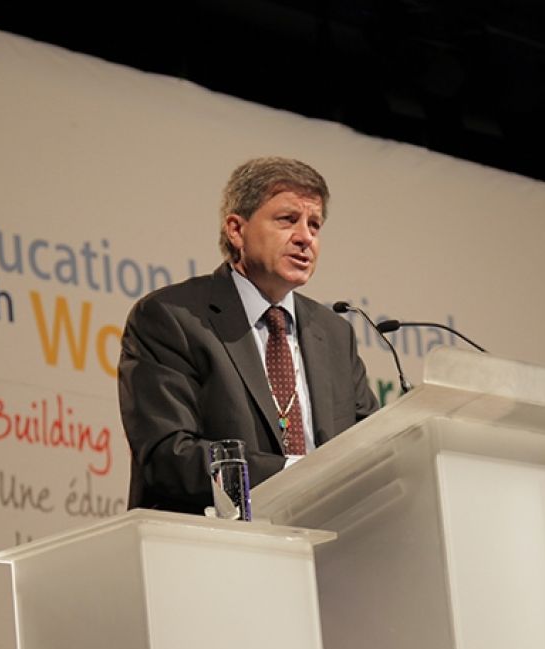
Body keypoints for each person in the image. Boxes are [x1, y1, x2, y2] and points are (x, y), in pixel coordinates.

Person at [117, 157, 380, 513]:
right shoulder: (173, 318)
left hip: (331, 547)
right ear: (236, 230)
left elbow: (373, 451)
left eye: (314, 225)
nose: (305, 238)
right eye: (288, 220)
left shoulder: (334, 334)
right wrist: (294, 475)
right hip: (216, 545)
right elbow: (168, 454)